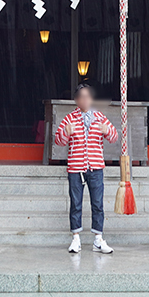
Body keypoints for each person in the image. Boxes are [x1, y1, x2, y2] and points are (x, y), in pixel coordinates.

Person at [52, 82, 119, 254]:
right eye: (81, 96)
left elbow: (114, 137)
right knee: (76, 203)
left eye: (88, 96)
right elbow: (58, 141)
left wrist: (106, 130)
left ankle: (98, 239)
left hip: (95, 167)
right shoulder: (69, 118)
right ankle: (76, 238)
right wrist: (66, 132)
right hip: (76, 168)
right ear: (76, 100)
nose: (85, 99)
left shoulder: (100, 117)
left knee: (98, 204)